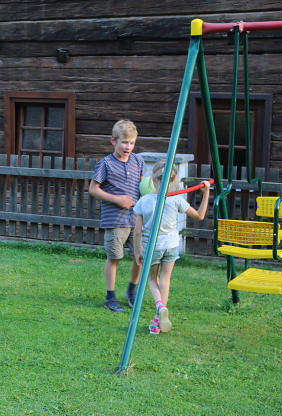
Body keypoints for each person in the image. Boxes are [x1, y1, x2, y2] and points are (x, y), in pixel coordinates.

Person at [132, 160, 210, 334]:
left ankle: (160, 307)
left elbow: (137, 231)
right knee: (165, 280)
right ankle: (157, 323)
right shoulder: (177, 200)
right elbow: (200, 215)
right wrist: (206, 194)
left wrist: (137, 251)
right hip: (172, 245)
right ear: (173, 180)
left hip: (152, 247)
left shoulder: (143, 201)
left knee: (152, 279)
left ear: (152, 178)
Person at [88, 119, 145, 313]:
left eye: (132, 143)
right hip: (115, 220)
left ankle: (132, 291)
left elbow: (144, 187)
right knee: (114, 258)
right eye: (124, 142)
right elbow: (93, 189)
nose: (128, 147)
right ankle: (110, 297)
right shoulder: (105, 164)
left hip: (136, 220)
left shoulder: (138, 161)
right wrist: (117, 199)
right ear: (113, 141)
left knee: (139, 257)